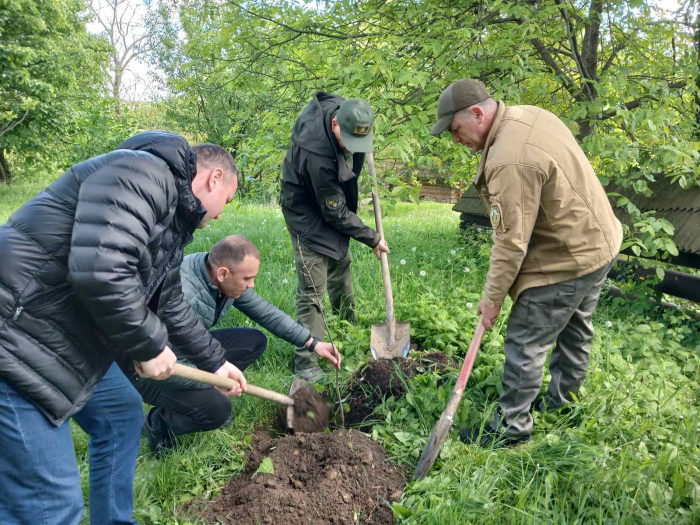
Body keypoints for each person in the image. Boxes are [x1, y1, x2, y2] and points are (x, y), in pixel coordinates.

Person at [0, 131, 245, 524]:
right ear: (214, 178)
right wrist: (148, 345)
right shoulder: (145, 174)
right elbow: (101, 270)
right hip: (16, 336)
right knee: (49, 506)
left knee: (121, 416)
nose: (221, 214)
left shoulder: (170, 215)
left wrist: (215, 363)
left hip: (59, 335)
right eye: (227, 201)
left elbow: (168, 302)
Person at [430, 79, 623, 447]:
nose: (456, 140)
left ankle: (512, 428)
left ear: (477, 113)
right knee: (576, 327)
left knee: (525, 339)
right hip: (600, 242)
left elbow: (511, 243)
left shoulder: (508, 158)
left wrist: (492, 299)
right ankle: (565, 404)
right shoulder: (529, 115)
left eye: (455, 130)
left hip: (565, 259)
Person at [136, 234, 342, 455]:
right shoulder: (185, 297)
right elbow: (169, 365)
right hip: (149, 369)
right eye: (247, 279)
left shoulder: (217, 277)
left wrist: (312, 342)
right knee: (218, 410)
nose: (251, 285)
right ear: (223, 273)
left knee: (253, 341)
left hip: (185, 349)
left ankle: (204, 396)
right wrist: (213, 383)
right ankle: (158, 424)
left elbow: (265, 312)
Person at [281, 92, 390, 381]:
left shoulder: (346, 111)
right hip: (307, 215)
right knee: (312, 290)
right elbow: (334, 213)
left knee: (342, 262)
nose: (353, 150)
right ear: (334, 125)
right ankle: (306, 363)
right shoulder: (318, 156)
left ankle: (348, 330)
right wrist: (371, 237)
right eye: (349, 142)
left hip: (331, 202)